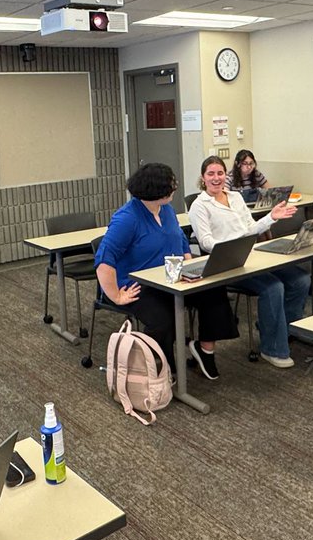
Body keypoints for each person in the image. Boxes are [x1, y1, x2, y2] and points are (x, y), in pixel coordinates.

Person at [95, 162, 238, 379]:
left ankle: (205, 350)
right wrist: (115, 294)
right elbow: (105, 259)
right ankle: (163, 371)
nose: (175, 187)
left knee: (214, 291)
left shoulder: (167, 210)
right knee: (163, 318)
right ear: (157, 189)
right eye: (171, 184)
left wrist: (191, 268)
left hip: (172, 278)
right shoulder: (127, 218)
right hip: (138, 285)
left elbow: (180, 241)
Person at [189, 156, 309, 368]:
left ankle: (279, 329)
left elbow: (250, 228)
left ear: (225, 175)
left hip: (251, 255)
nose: (216, 178)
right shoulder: (200, 205)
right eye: (211, 174)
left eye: (220, 173)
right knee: (274, 287)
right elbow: (206, 243)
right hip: (228, 263)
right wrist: (235, 245)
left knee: (300, 280)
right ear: (203, 178)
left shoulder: (235, 197)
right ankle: (272, 348)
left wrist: (272, 217)